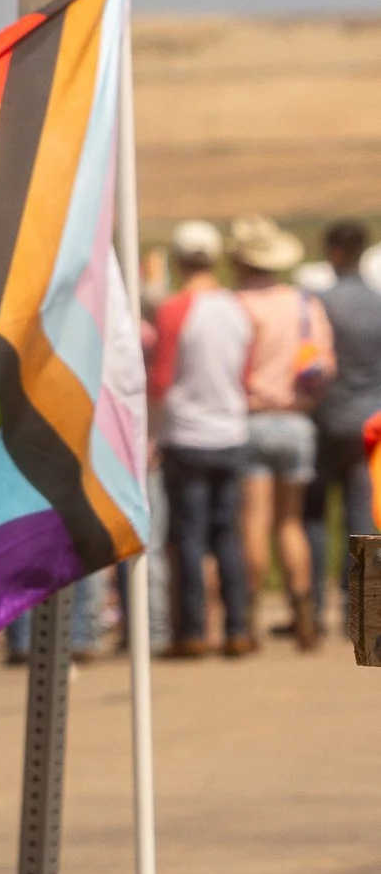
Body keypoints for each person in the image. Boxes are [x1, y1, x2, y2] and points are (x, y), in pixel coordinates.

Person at [145, 220, 254, 656]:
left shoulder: (175, 309)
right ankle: (237, 627)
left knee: (188, 536)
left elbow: (161, 379)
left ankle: (191, 630)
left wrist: (150, 432)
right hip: (232, 431)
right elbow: (244, 374)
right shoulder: (236, 308)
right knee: (226, 533)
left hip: (187, 435)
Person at [229, 213, 333, 652]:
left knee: (254, 522)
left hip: (251, 418)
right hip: (296, 420)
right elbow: (325, 365)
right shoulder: (303, 303)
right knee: (291, 524)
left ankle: (248, 618)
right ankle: (303, 613)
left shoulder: (235, 306)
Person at [310, 219, 381, 630]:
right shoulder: (377, 301)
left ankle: (315, 610)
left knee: (314, 515)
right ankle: (357, 611)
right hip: (369, 424)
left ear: (336, 252)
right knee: (360, 517)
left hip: (326, 420)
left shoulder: (319, 302)